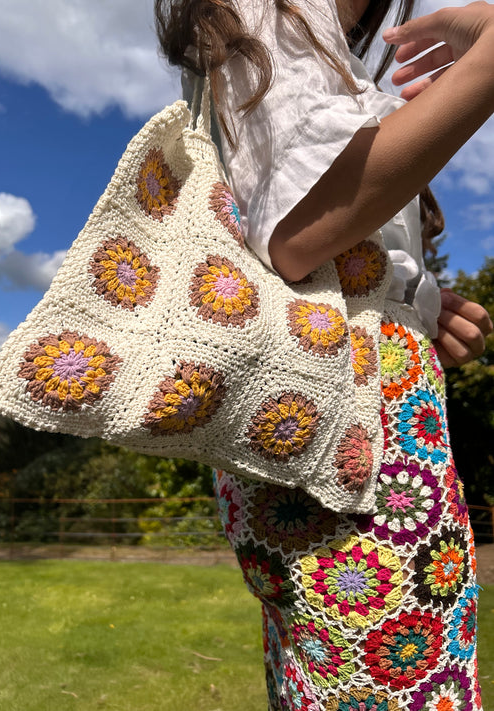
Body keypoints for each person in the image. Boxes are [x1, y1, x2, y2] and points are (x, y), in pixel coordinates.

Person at [155, 1, 493, 708]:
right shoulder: (274, 9)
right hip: (358, 429)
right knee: (398, 679)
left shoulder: (312, 45)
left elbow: (317, 245)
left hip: (334, 417)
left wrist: (422, 308)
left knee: (340, 681)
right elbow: (300, 228)